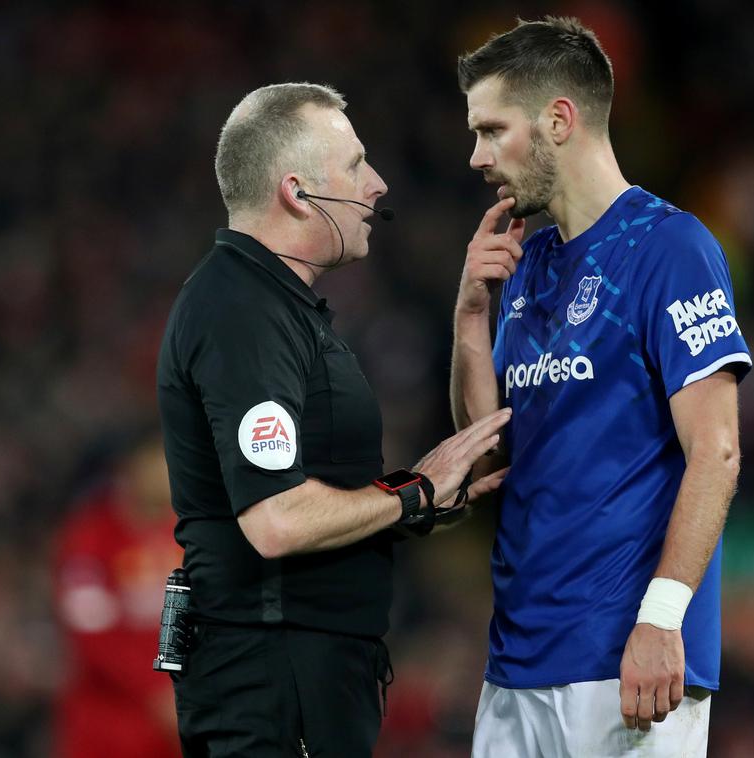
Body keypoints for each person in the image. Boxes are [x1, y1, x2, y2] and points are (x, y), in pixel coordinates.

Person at [156, 83, 511, 757]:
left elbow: (313, 498)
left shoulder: (278, 308)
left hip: (296, 676)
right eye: (354, 166)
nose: (376, 185)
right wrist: (416, 491)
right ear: (297, 191)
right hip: (274, 679)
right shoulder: (242, 312)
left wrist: (425, 497)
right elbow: (277, 520)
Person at [451, 18, 752, 757]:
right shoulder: (524, 265)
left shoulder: (670, 247)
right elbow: (486, 460)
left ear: (558, 120)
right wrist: (468, 319)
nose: (476, 157)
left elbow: (716, 452)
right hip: (517, 660)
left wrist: (661, 618)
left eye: (493, 130)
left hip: (626, 661)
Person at [52, 432, 183, 758]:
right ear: (130, 468)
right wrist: (157, 691)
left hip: (177, 722)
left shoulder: (182, 533)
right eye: (161, 461)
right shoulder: (90, 538)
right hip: (109, 724)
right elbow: (93, 634)